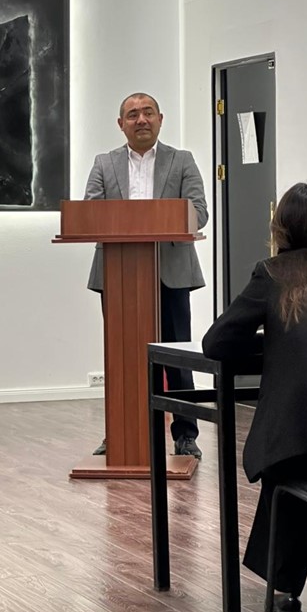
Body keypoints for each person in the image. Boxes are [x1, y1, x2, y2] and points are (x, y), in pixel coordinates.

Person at [202, 181, 307, 612]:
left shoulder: (274, 274)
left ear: (283, 226)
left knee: (286, 459)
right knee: (294, 457)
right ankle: (291, 573)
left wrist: (275, 339)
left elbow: (216, 343)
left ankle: (288, 578)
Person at [85, 92, 208, 459]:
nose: (141, 119)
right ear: (120, 124)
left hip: (170, 273)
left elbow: (199, 211)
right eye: (133, 114)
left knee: (177, 357)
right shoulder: (104, 163)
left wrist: (157, 219)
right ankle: (121, 434)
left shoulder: (181, 160)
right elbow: (90, 212)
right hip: (119, 275)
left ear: (160, 119)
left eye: (148, 113)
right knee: (122, 357)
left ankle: (185, 434)